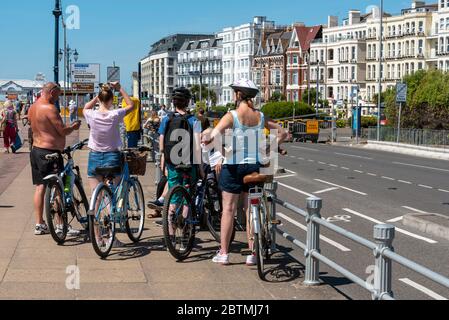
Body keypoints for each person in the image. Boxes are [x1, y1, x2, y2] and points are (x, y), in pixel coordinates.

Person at [204, 79, 288, 266]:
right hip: (254, 166)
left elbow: (212, 135)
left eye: (235, 93)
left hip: (233, 166)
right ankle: (253, 253)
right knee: (251, 208)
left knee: (228, 209)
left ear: (238, 95)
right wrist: (269, 149)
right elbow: (283, 133)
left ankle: (224, 253)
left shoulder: (231, 115)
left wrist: (220, 149)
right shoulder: (260, 116)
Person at [28, 82, 81, 235]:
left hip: (36, 151)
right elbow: (62, 131)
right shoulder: (50, 108)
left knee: (40, 187)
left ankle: (39, 224)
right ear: (51, 92)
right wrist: (73, 127)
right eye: (57, 95)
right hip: (50, 153)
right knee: (58, 188)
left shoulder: (33, 107)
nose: (57, 99)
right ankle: (60, 225)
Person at [158, 87, 202, 234]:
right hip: (189, 164)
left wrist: (163, 162)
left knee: (173, 196)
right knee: (187, 198)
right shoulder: (194, 120)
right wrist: (200, 168)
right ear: (188, 102)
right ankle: (185, 232)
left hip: (173, 164)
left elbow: (162, 145)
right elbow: (197, 147)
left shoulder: (167, 119)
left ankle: (170, 235)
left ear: (173, 102)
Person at [83, 82, 135, 192]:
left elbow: (86, 107)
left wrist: (98, 96)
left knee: (96, 195)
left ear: (99, 99)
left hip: (94, 156)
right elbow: (131, 105)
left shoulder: (90, 114)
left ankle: (94, 208)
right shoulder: (115, 114)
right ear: (111, 100)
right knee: (114, 192)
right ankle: (113, 207)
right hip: (112, 156)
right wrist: (119, 88)